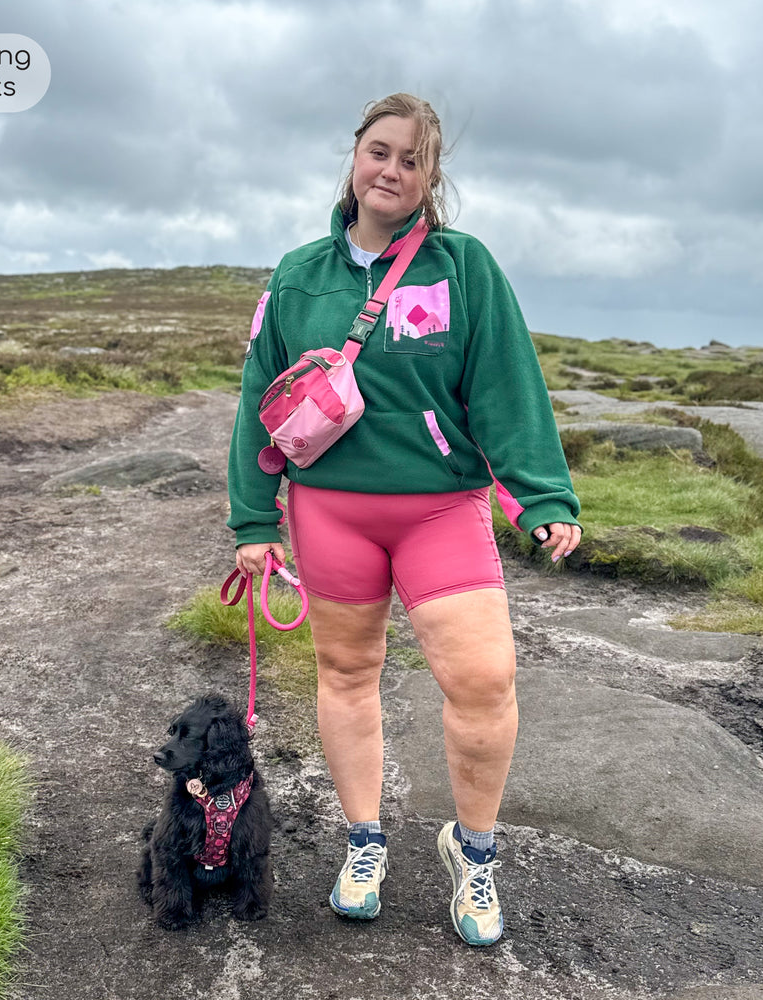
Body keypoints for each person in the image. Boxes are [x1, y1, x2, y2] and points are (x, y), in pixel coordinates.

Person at [226, 93, 581, 946]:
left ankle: (475, 849)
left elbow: (505, 384)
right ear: (355, 159)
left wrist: (543, 494)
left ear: (429, 180)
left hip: (440, 511)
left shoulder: (462, 268)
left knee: (485, 678)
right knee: (347, 675)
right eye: (379, 151)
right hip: (331, 513)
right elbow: (257, 399)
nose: (390, 170)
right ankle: (364, 840)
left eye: (411, 160)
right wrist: (251, 521)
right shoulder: (298, 274)